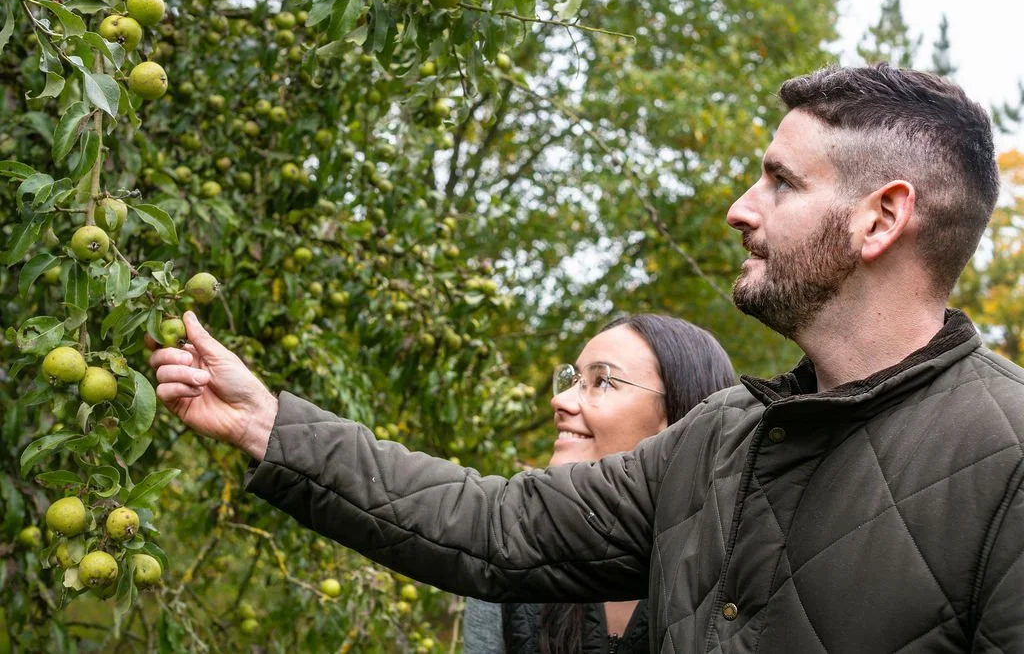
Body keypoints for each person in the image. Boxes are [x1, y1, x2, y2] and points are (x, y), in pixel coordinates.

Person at [149, 64, 1024, 652]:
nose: (739, 208)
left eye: (781, 181)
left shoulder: (1009, 458)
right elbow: (493, 523)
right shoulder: (720, 438)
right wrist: (271, 425)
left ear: (881, 218)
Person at [461, 314, 736, 653]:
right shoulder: (513, 553)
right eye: (573, 379)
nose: (560, 401)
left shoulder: (746, 578)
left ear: (681, 418)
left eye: (602, 381)